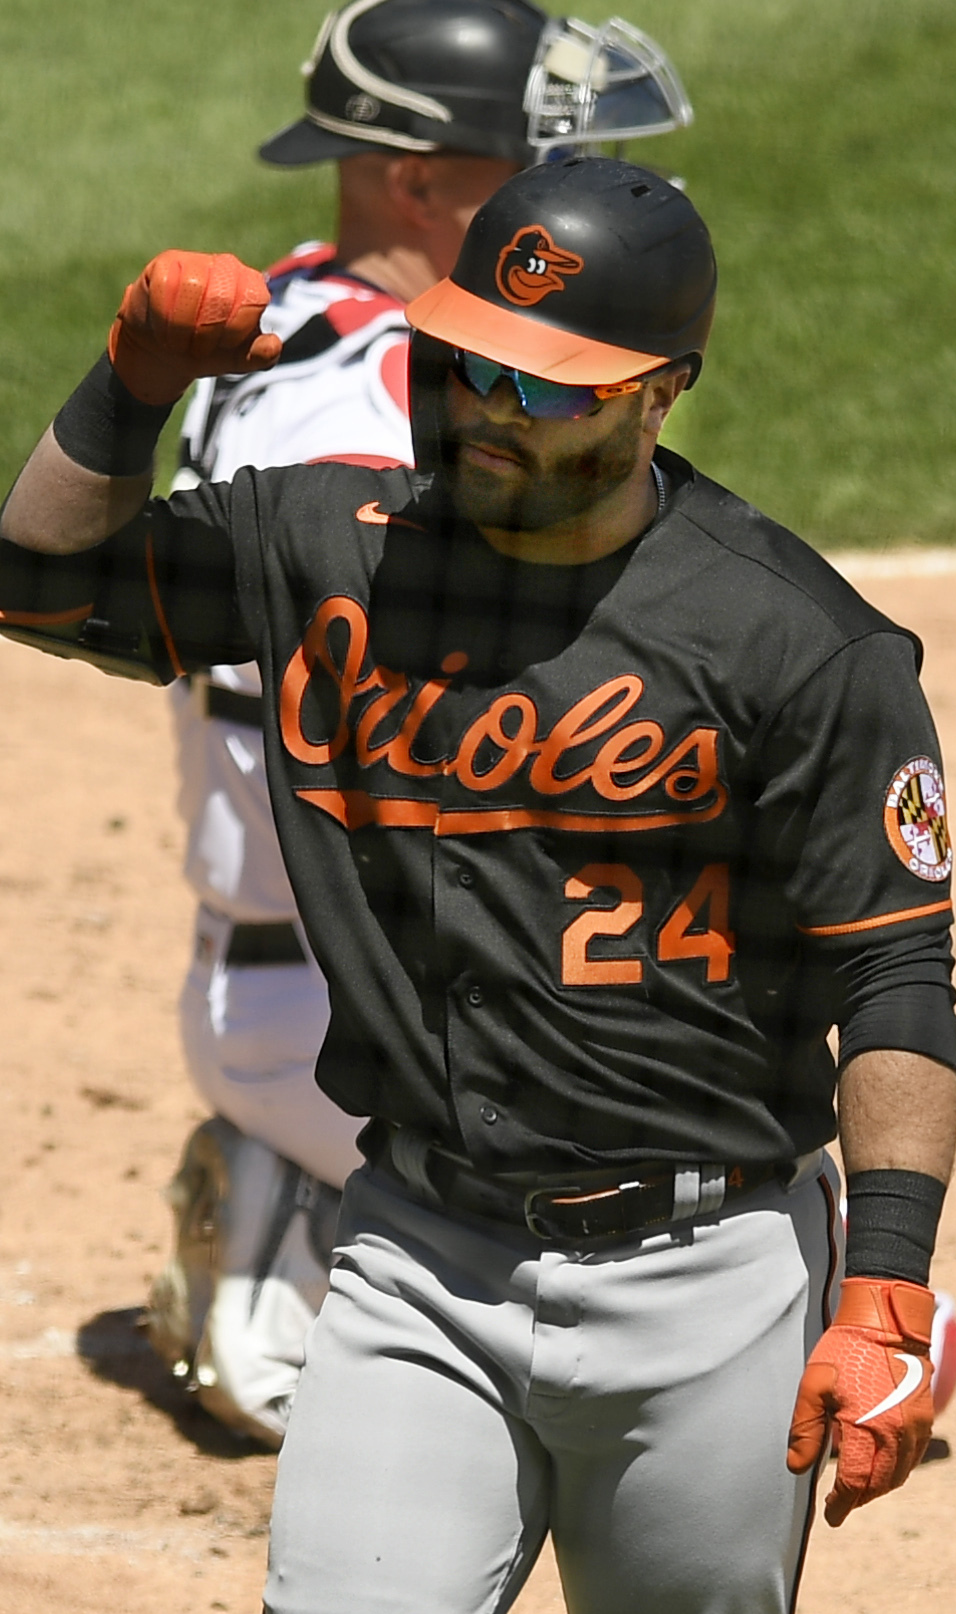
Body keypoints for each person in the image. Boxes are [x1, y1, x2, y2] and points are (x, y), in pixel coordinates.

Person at [0, 158, 956, 1614]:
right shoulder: (331, 541)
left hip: (708, 1260)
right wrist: (127, 382)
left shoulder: (793, 639)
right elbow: (35, 589)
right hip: (418, 1245)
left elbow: (897, 982)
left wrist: (884, 1290)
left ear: (663, 392)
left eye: (546, 388)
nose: (485, 412)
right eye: (469, 363)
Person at [147, 2, 693, 1445]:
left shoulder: (290, 317)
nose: (566, 188)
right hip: (368, 1011)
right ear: (420, 181)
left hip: (288, 976)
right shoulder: (389, 398)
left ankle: (301, 1194)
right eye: (529, 154)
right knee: (725, 1229)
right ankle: (312, 1274)